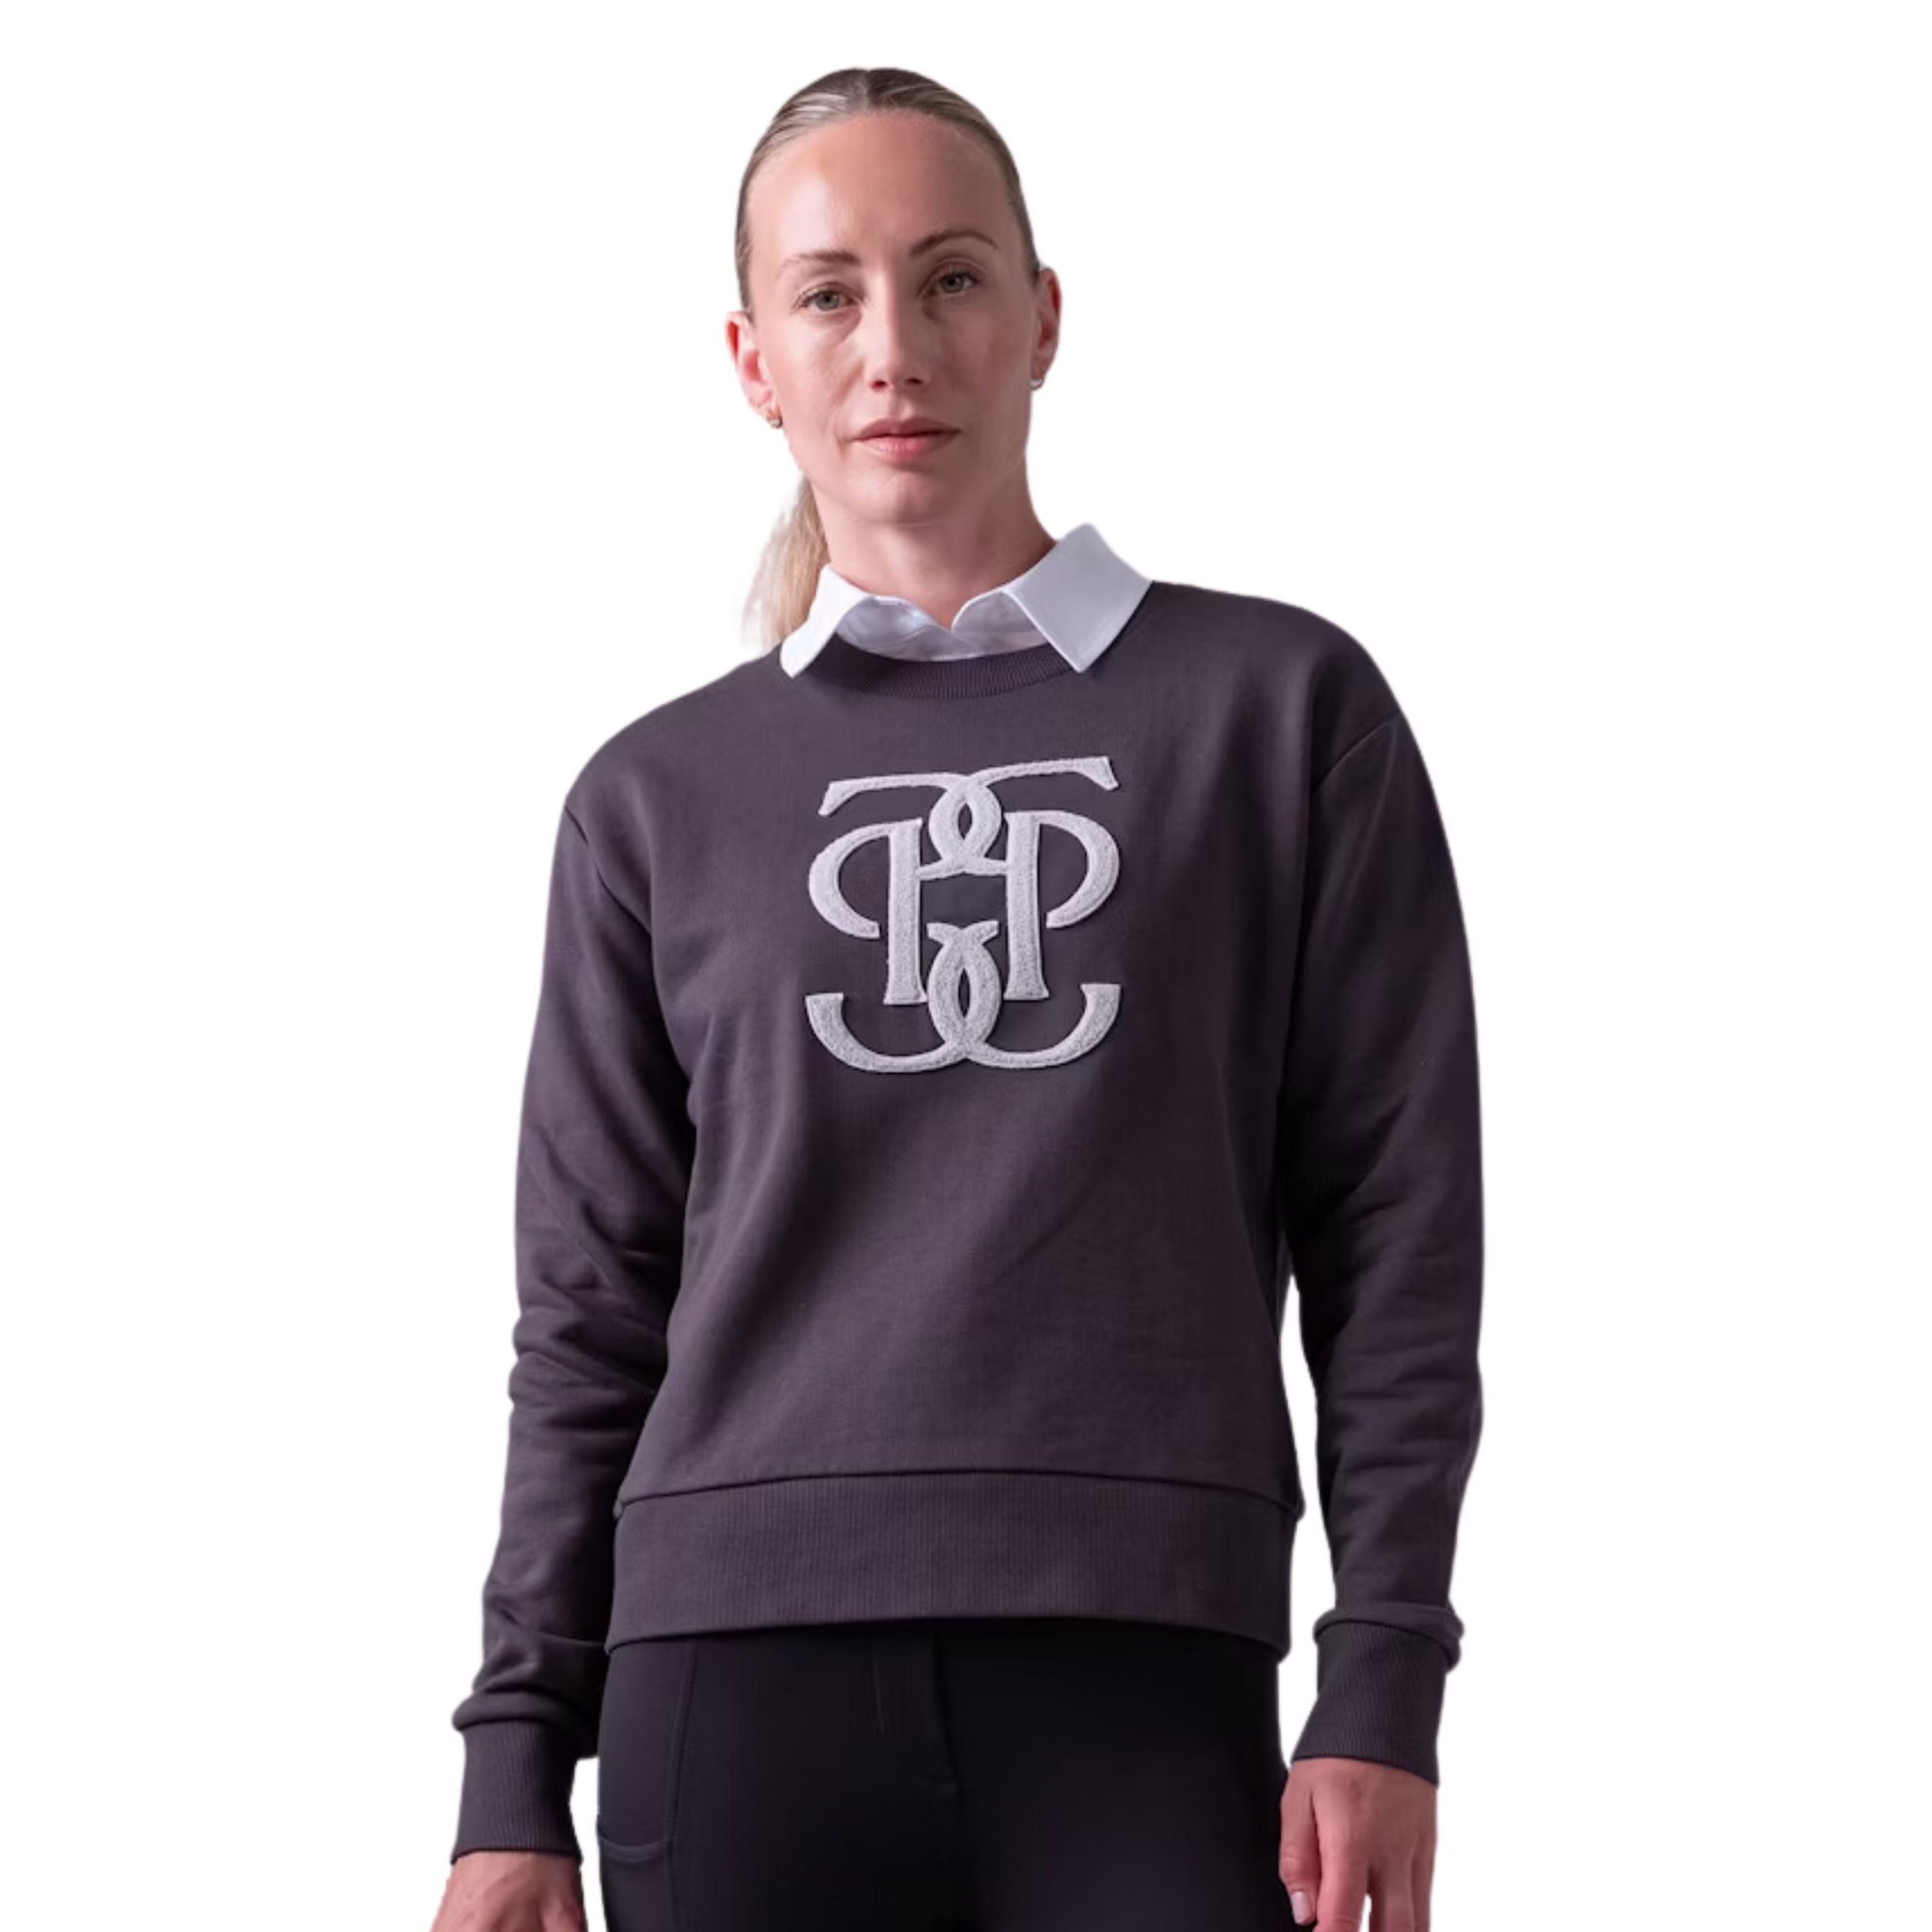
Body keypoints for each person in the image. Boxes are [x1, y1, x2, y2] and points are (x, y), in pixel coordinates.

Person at [430, 66, 1483, 1932]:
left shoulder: (1279, 713)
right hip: (730, 1694)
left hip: (1145, 1676)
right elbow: (588, 1313)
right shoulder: (655, 800)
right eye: (828, 294)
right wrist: (512, 1772)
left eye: (952, 278)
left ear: (1044, 317)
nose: (893, 348)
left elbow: (1396, 1230)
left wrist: (1385, 1675)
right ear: (754, 362)